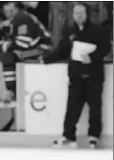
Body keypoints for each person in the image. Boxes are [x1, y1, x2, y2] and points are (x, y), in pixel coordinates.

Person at [42, 3, 110, 149]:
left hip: (93, 75)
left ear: (87, 14)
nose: (79, 15)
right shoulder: (69, 31)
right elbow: (63, 49)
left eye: (81, 12)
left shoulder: (97, 30)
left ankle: (94, 136)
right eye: (76, 13)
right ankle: (68, 135)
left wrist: (92, 57)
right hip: (76, 75)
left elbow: (106, 48)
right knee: (72, 106)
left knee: (95, 107)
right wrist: (47, 59)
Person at [0, 2, 51, 108]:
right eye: (6, 12)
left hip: (43, 49)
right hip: (37, 47)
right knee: (9, 56)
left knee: (8, 57)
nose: (9, 14)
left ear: (17, 9)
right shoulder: (18, 19)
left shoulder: (22, 18)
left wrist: (7, 45)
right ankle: (13, 91)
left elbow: (24, 42)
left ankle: (11, 92)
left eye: (12, 11)